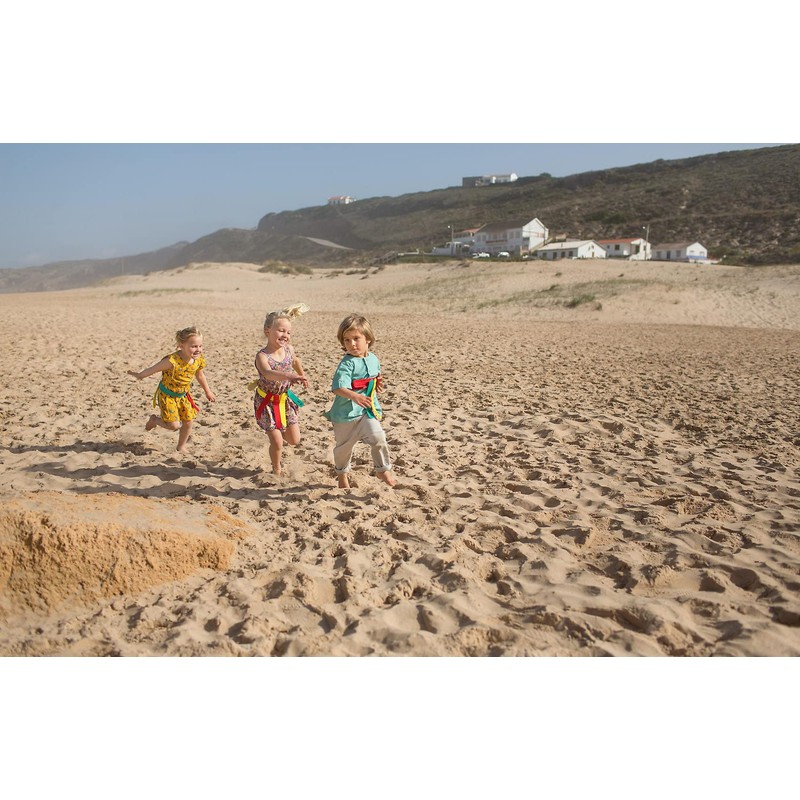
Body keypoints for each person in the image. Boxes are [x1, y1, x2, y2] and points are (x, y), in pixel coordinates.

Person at [324, 313, 396, 489]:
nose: (352, 344)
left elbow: (375, 378)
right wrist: (355, 396)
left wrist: (377, 384)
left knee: (378, 437)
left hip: (366, 410)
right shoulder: (346, 364)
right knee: (343, 449)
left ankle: (382, 469)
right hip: (345, 415)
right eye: (347, 340)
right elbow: (338, 388)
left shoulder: (373, 359)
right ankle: (342, 476)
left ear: (368, 339)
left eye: (356, 338)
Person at [127, 325, 216, 452]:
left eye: (200, 346)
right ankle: (154, 420)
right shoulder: (171, 361)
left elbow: (200, 375)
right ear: (181, 346)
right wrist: (139, 375)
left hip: (183, 396)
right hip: (167, 396)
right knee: (174, 425)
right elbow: (153, 369)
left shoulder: (198, 360)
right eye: (194, 346)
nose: (198, 350)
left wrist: (208, 391)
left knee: (188, 422)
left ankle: (181, 446)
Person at [249, 303, 310, 475]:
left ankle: (279, 431)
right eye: (281, 331)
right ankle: (276, 468)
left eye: (288, 332)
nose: (285, 335)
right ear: (267, 331)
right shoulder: (262, 356)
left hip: (285, 400)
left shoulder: (289, 349)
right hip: (267, 402)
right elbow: (268, 374)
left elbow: (295, 361)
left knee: (294, 440)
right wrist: (289, 376)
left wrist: (302, 374)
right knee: (277, 442)